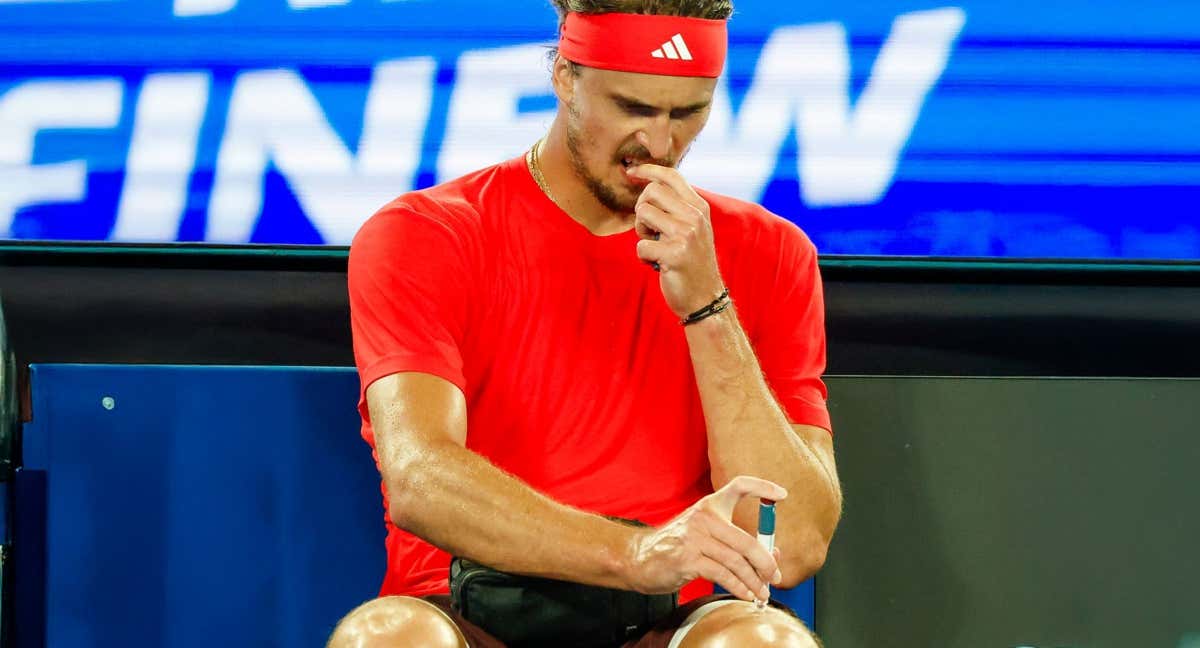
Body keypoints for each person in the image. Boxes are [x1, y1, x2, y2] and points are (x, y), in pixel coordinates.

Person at [331, 0, 842, 645]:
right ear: (565, 77)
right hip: (461, 616)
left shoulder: (770, 253)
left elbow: (792, 545)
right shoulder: (425, 235)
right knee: (386, 638)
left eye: (688, 113)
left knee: (765, 642)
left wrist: (709, 308)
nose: (659, 145)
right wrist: (637, 555)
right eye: (633, 108)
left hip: (664, 624)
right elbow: (420, 478)